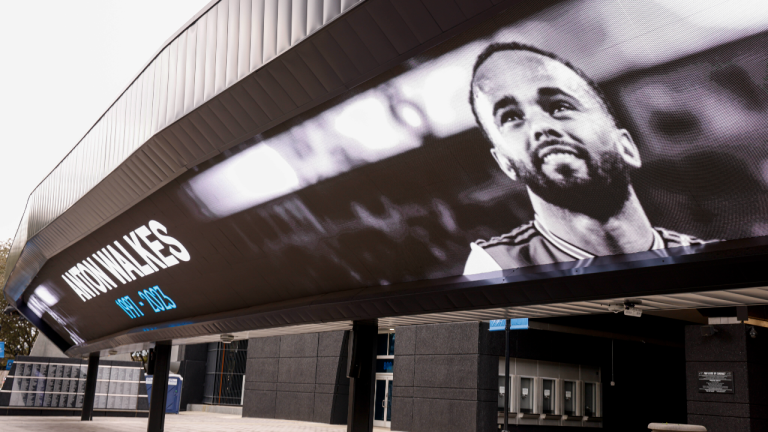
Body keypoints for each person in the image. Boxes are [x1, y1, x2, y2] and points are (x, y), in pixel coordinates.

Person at [464, 42, 712, 275]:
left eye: (560, 106)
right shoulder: (498, 269)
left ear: (626, 147)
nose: (540, 126)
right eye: (510, 118)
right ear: (506, 164)